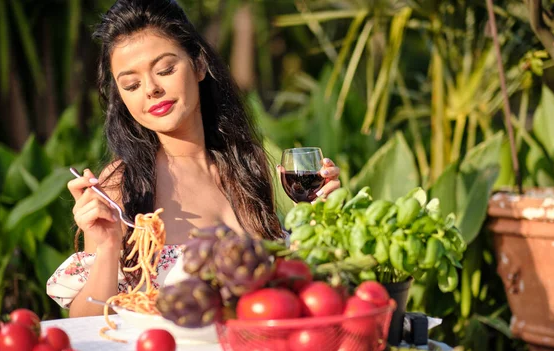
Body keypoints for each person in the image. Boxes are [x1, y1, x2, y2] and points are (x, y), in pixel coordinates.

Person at [46, 0, 340, 317]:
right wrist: (106, 247)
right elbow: (85, 323)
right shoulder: (122, 185)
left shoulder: (245, 166)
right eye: (131, 84)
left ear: (199, 65)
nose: (151, 90)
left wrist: (315, 220)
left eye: (165, 70)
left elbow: (288, 290)